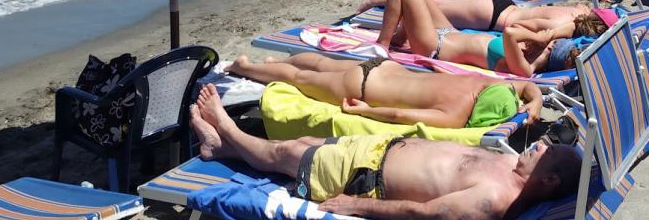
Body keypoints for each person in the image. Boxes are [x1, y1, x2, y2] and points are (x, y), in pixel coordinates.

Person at [188, 84, 581, 218]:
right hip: (379, 148)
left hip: (365, 178)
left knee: (287, 154)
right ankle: (220, 149)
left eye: (545, 154)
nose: (540, 147)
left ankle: (227, 129)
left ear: (547, 179)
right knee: (304, 145)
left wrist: (355, 206)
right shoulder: (514, 165)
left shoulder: (492, 201)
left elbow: (421, 213)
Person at [226, 51, 545, 128]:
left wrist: (535, 102)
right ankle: (245, 68)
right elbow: (399, 115)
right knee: (299, 79)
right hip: (364, 87)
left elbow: (527, 87)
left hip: (385, 65)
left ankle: (270, 61)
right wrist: (366, 112)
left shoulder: (484, 82)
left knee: (320, 63)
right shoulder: (457, 114)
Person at [365, 0, 607, 76]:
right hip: (449, 32)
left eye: (554, 44)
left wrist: (542, 39)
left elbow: (511, 33)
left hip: (434, 45)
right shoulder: (531, 50)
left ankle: (382, 48)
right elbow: (570, 27)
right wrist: (551, 35)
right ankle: (397, 39)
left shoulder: (524, 67)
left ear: (551, 51)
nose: (553, 39)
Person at [356, 0, 611, 36]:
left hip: (501, 5)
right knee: (426, 8)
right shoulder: (566, 26)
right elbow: (521, 29)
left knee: (438, 4)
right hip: (492, 17)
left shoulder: (575, 11)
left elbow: (578, 2)